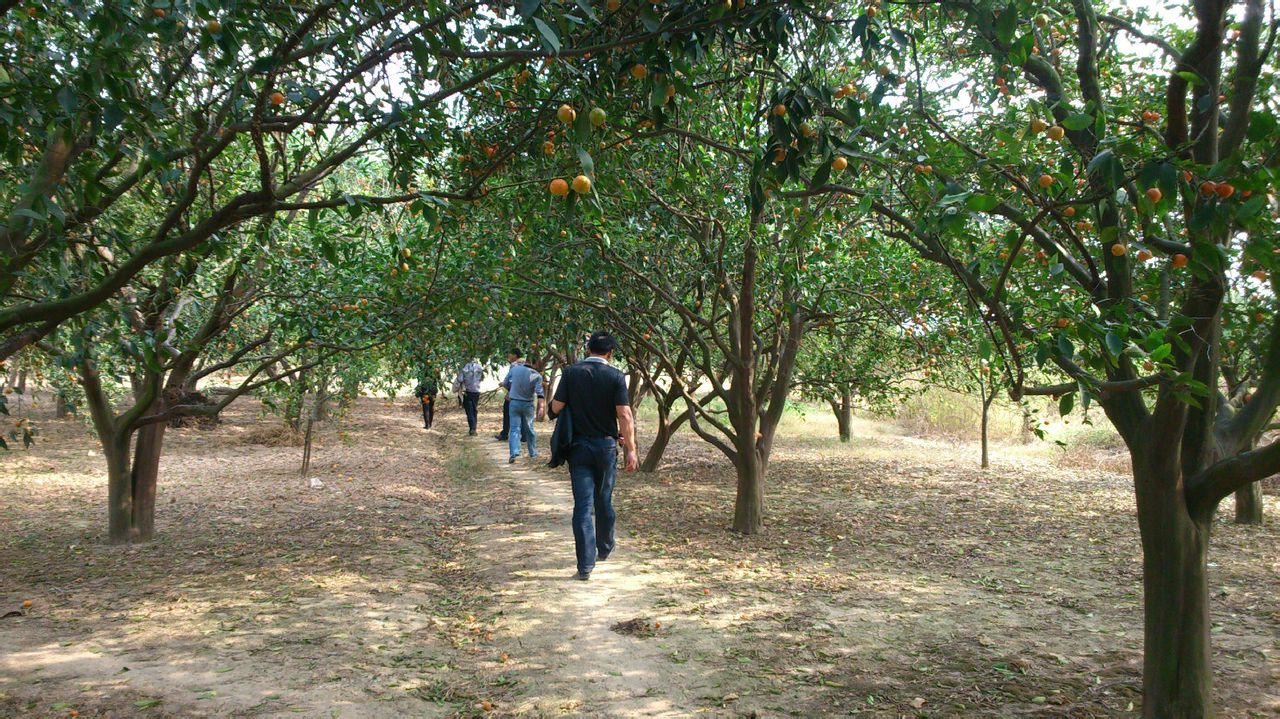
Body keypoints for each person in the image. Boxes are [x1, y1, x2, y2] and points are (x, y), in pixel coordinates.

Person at [549, 331, 638, 581]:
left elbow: (556, 408)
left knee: (583, 506)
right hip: (606, 448)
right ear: (610, 353)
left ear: (588, 350)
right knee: (604, 499)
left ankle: (585, 565)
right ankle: (605, 546)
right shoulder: (616, 376)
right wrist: (630, 449)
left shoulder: (571, 373)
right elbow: (625, 414)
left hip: (578, 448)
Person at [501, 349, 544, 463]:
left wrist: (513, 389)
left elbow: (505, 383)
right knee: (529, 428)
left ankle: (514, 452)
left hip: (514, 403)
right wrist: (541, 408)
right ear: (535, 363)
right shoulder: (537, 375)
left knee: (514, 429)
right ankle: (533, 452)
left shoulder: (514, 369)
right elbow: (540, 393)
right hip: (528, 404)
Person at [453, 358, 484, 436]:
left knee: (469, 411)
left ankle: (472, 429)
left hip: (467, 392)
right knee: (474, 410)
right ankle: (474, 428)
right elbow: (481, 378)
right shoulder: (479, 367)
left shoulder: (465, 368)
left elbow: (460, 379)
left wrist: (456, 387)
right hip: (476, 391)